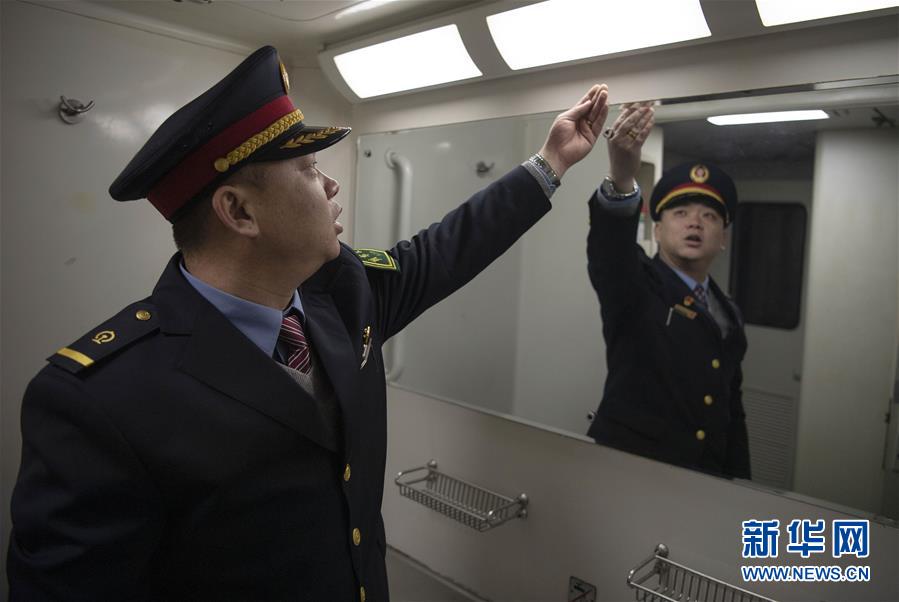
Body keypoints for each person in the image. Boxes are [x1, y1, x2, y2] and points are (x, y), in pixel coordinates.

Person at [8, 46, 610, 600]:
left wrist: (551, 162)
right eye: (308, 168)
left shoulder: (341, 293)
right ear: (238, 210)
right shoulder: (102, 398)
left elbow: (444, 252)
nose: (330, 184)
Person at [584, 103, 751, 480]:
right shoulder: (636, 284)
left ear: (722, 238)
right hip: (630, 474)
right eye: (680, 213)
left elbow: (731, 411)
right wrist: (622, 177)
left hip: (704, 482)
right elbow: (610, 250)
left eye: (709, 216)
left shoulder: (728, 312)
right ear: (657, 230)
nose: (695, 222)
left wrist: (739, 486)